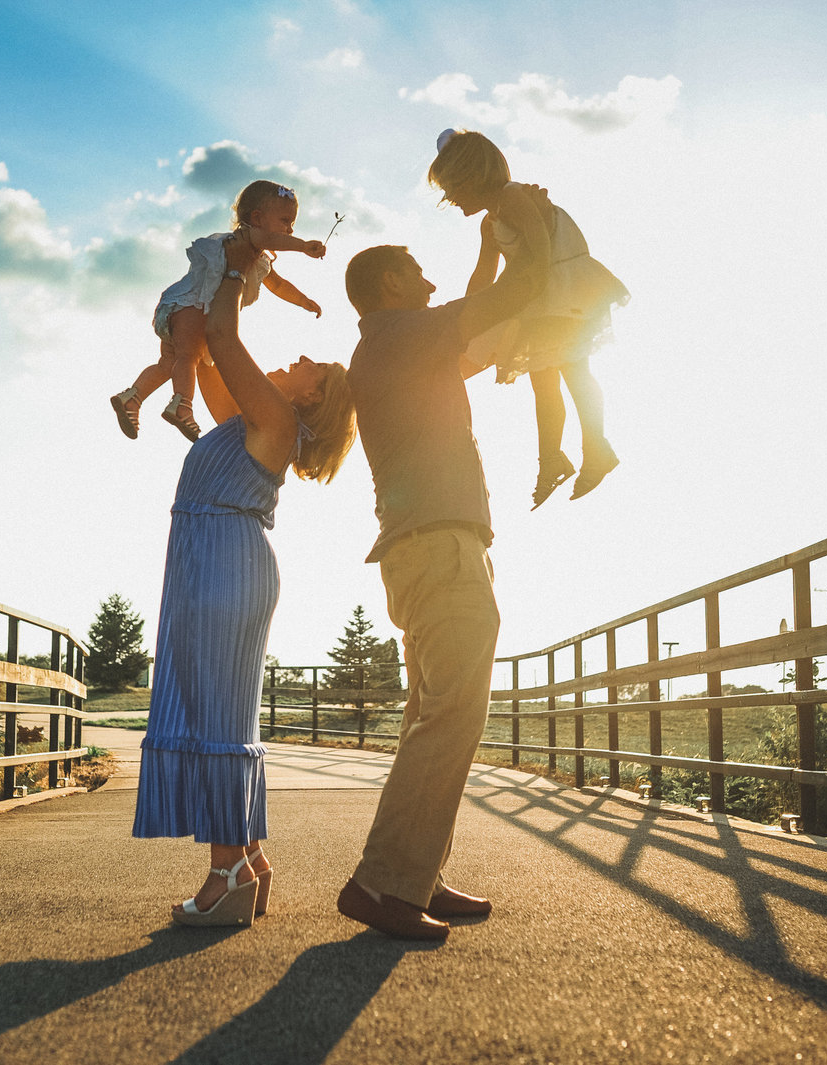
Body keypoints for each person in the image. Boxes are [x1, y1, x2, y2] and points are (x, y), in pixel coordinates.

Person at [335, 182, 550, 941]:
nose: (429, 280)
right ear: (391, 285)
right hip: (441, 550)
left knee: (433, 714)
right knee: (453, 715)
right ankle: (384, 884)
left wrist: (486, 247)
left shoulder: (395, 345)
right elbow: (512, 297)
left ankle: (412, 872)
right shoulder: (403, 335)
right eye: (416, 270)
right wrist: (516, 212)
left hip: (424, 549)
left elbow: (472, 310)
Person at [131, 236, 358, 928]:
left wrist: (237, 262)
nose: (293, 361)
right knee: (219, 711)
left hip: (224, 558)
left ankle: (226, 870)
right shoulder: (255, 419)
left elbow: (228, 335)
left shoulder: (276, 419)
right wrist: (214, 285)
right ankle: (247, 861)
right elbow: (206, 356)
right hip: (218, 555)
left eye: (305, 364)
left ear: (312, 393)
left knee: (219, 716)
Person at [428, 128, 629, 506]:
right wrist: (465, 316)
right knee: (545, 381)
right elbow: (482, 275)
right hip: (539, 300)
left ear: (471, 178)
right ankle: (554, 458)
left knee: (574, 372)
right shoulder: (490, 222)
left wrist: (513, 301)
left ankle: (595, 447)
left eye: (452, 188)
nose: (450, 199)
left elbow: (539, 251)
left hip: (560, 292)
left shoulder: (514, 198)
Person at [110, 180, 327, 443]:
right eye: (285, 221)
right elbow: (271, 239)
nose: (290, 230)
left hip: (179, 308)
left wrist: (303, 300)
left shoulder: (257, 258)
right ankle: (182, 406)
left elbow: (278, 285)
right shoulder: (248, 237)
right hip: (194, 307)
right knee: (189, 356)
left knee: (169, 363)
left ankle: (132, 398)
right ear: (256, 218)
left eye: (292, 224)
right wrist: (303, 246)